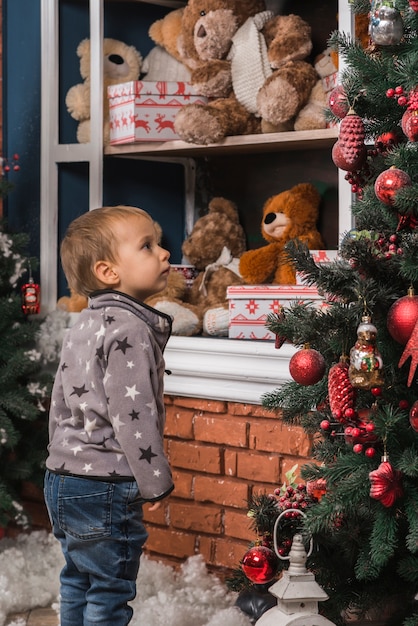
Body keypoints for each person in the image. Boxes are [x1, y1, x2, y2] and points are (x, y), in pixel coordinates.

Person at [44, 205, 174, 626]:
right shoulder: (130, 330)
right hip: (104, 483)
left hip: (62, 478)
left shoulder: (82, 322)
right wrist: (155, 480)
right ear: (107, 271)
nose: (164, 253)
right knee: (110, 589)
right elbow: (132, 414)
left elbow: (58, 400)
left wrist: (56, 455)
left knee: (78, 579)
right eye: (147, 246)